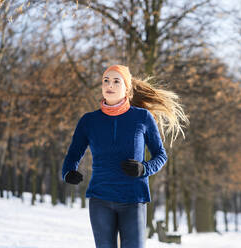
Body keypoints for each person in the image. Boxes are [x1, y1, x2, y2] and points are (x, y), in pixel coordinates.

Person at [61, 64, 188, 248]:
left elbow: (161, 155)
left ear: (126, 88)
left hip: (133, 199)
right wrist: (68, 171)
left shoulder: (142, 117)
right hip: (100, 199)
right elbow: (73, 153)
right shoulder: (89, 121)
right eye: (106, 81)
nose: (109, 85)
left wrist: (144, 168)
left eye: (115, 81)